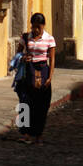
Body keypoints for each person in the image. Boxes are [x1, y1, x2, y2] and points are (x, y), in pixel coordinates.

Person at [15, 12, 55, 145]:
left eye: (39, 27)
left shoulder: (49, 39)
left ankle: (38, 134)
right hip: (28, 72)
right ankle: (24, 133)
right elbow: (18, 52)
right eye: (34, 27)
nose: (36, 30)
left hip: (43, 71)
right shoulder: (26, 37)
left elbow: (52, 58)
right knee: (24, 103)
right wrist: (23, 57)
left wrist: (50, 77)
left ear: (43, 26)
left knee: (41, 106)